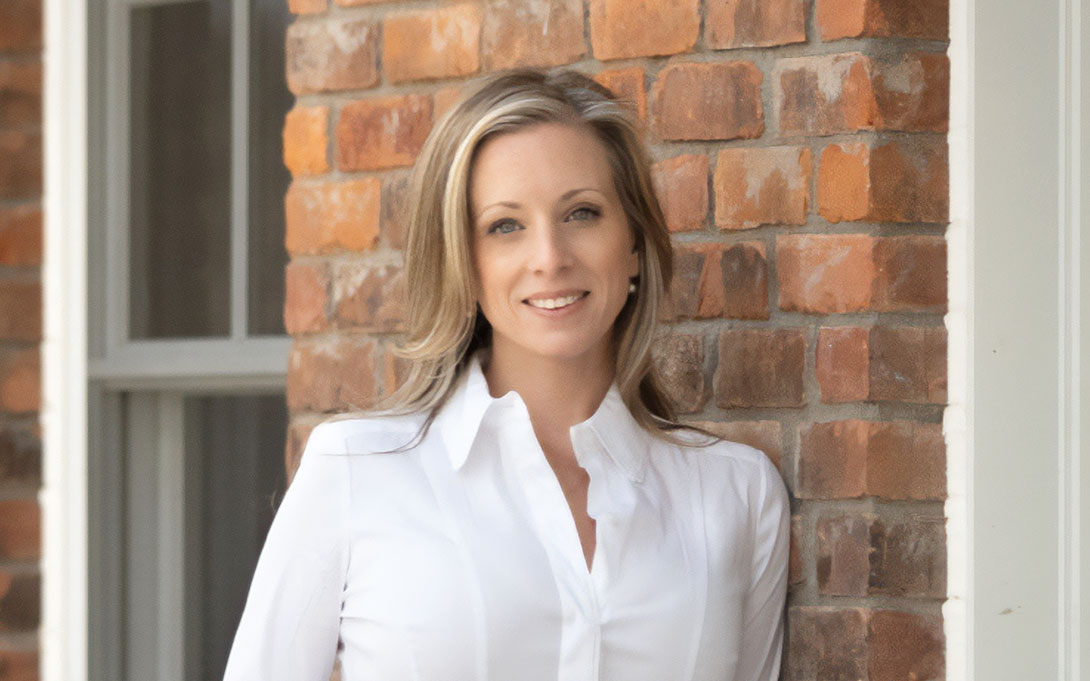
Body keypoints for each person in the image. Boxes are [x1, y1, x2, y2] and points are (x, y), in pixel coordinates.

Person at [223, 68, 789, 681]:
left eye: (582, 213)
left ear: (633, 244)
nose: (550, 258)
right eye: (505, 226)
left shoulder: (734, 496)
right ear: (463, 262)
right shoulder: (357, 471)